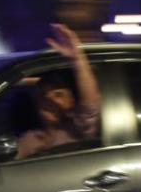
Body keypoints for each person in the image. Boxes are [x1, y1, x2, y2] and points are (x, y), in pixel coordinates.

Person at [16, 24, 102, 159]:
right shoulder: (29, 139)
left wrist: (78, 58)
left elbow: (90, 108)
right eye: (43, 94)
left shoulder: (76, 130)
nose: (49, 100)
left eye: (58, 94)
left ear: (72, 101)